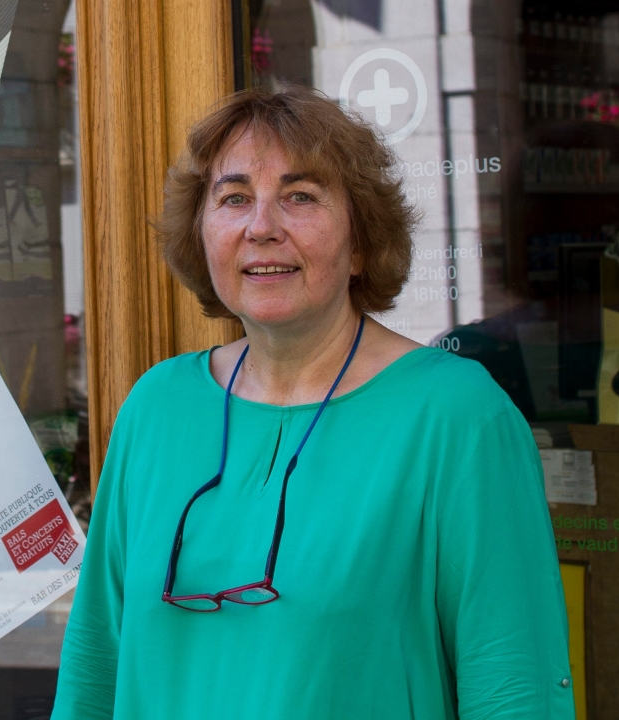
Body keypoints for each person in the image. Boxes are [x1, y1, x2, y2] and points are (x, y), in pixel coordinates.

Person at [52, 87, 572, 720]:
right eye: (234, 197)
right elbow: (94, 662)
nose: (261, 227)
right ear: (202, 233)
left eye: (300, 197)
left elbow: (513, 686)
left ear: (360, 241)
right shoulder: (157, 408)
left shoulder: (456, 417)